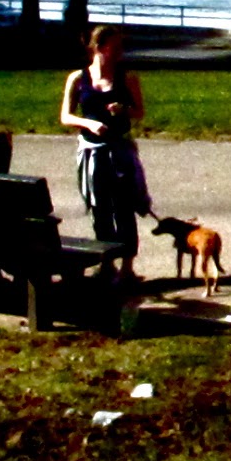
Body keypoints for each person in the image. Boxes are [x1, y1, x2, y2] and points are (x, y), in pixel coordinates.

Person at [60, 26, 152, 285]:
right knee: (99, 208)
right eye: (115, 47)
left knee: (124, 208)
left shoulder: (128, 78)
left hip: (120, 150)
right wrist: (89, 124)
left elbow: (139, 112)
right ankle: (106, 261)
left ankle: (127, 266)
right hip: (92, 152)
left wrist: (124, 109)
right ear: (98, 48)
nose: (120, 53)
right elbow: (65, 116)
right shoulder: (78, 78)